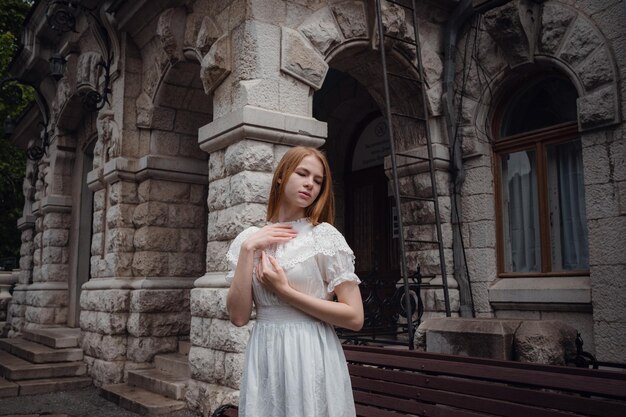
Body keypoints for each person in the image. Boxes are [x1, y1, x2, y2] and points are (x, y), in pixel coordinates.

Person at [226, 146, 364, 417]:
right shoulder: (249, 239)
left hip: (311, 353)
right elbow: (239, 317)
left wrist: (286, 292)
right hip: (265, 355)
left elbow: (355, 317)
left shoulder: (323, 236)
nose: (310, 184)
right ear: (281, 176)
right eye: (302, 173)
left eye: (318, 180)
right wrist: (248, 250)